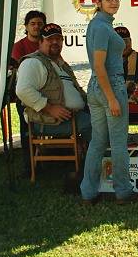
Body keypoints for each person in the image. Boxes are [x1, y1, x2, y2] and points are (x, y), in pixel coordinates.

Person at [80, 0, 138, 205]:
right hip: (109, 84)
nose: (114, 2)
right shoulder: (102, 27)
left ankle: (88, 192)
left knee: (98, 142)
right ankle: (123, 191)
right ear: (98, 2)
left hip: (97, 86)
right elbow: (99, 65)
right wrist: (112, 98)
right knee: (118, 142)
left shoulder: (98, 24)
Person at [15, 23, 92, 173]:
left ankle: (96, 167)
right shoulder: (33, 62)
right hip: (48, 121)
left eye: (58, 39)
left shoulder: (61, 64)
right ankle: (92, 171)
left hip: (71, 117)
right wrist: (49, 108)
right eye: (50, 39)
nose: (55, 42)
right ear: (40, 42)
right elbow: (23, 90)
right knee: (96, 126)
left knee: (103, 119)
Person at [11, 10, 46, 174]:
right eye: (33, 24)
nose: (36, 27)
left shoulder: (47, 43)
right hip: (27, 95)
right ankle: (29, 165)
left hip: (48, 92)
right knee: (27, 130)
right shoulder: (19, 47)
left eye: (39, 24)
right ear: (26, 26)